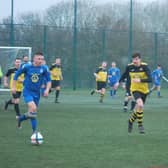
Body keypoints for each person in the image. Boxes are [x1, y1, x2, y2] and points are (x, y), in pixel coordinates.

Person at [12, 52, 51, 133]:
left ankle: (20, 119)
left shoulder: (44, 68)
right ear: (34, 59)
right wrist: (13, 87)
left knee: (32, 113)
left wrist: (47, 90)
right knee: (33, 108)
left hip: (37, 93)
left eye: (42, 59)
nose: (40, 60)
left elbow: (49, 80)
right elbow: (16, 75)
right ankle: (35, 132)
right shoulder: (27, 67)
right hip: (27, 92)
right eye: (39, 59)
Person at [121, 52, 152, 134]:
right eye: (133, 59)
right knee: (140, 105)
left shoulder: (145, 66)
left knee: (138, 108)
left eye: (136, 59)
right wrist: (119, 82)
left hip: (144, 90)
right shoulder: (129, 67)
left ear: (140, 59)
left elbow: (150, 79)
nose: (135, 61)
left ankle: (130, 121)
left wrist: (140, 80)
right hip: (134, 89)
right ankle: (140, 125)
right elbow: (124, 75)